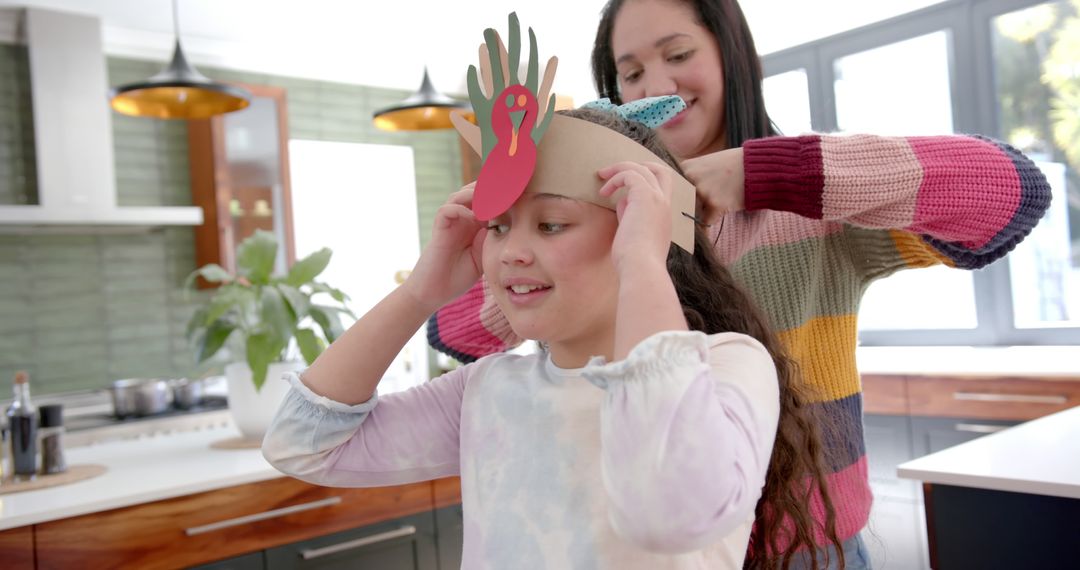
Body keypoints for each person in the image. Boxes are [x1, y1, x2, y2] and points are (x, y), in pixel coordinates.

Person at [426, 0, 1055, 567]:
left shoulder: (814, 208)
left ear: (731, 58)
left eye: (678, 55)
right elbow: (450, 333)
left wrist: (760, 174)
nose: (658, 84)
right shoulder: (600, 229)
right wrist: (534, 242)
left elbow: (1013, 194)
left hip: (805, 551)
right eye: (631, 72)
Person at [262, 106, 846, 569]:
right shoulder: (488, 389)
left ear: (645, 232)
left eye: (551, 224)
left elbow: (665, 513)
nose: (512, 251)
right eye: (498, 226)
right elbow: (302, 443)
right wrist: (420, 293)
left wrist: (643, 262)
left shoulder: (728, 367)